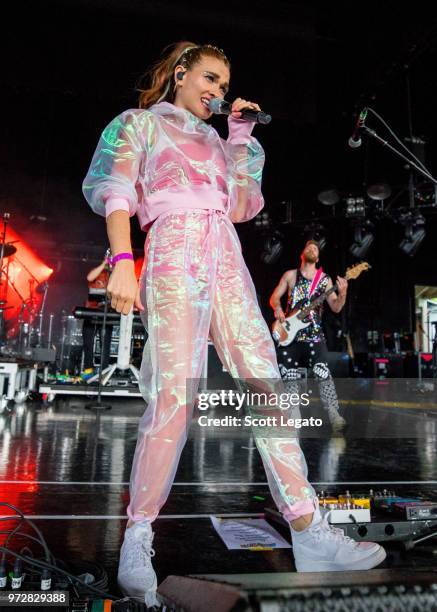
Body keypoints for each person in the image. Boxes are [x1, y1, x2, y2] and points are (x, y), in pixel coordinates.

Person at [83, 42, 385, 606]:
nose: (218, 92)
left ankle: (307, 529)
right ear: (180, 74)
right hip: (173, 250)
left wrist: (241, 139)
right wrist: (123, 260)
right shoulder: (139, 124)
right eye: (209, 79)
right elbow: (116, 191)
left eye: (224, 85)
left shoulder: (224, 142)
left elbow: (244, 206)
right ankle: (137, 536)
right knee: (175, 394)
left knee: (269, 385)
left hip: (225, 254)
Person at [270, 240, 347, 431]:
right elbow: (274, 298)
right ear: (302, 254)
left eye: (316, 248)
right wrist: (278, 309)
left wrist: (343, 293)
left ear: (318, 258)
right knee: (290, 377)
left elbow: (336, 307)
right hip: (290, 335)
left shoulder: (324, 280)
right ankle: (293, 414)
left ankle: (334, 415)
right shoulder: (290, 275)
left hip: (315, 336)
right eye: (309, 247)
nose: (312, 248)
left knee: (323, 374)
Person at [81, 255, 113, 378]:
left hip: (107, 312)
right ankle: (88, 369)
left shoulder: (114, 274)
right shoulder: (98, 272)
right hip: (91, 310)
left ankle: (104, 372)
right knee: (88, 341)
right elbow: (89, 277)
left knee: (105, 343)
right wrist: (103, 264)